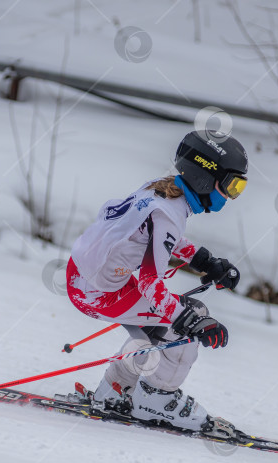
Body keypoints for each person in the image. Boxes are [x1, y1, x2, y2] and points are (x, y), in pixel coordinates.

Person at [65, 130, 248, 438]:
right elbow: (151, 284)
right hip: (99, 294)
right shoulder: (169, 213)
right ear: (205, 177)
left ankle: (116, 388)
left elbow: (159, 239)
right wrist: (193, 322)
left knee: (165, 318)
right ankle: (157, 399)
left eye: (238, 188)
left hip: (83, 279)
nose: (232, 195)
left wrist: (204, 261)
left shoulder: (161, 191)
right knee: (190, 317)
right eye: (232, 185)